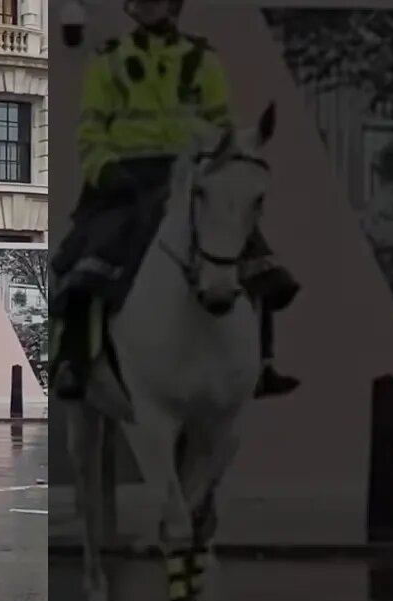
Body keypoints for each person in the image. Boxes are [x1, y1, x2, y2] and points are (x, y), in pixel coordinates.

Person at [49, 0, 300, 401]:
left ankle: (263, 363)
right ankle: (73, 361)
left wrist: (219, 164)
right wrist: (105, 168)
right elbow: (91, 127)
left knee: (250, 250)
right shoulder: (109, 60)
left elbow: (220, 122)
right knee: (88, 256)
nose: (151, 7)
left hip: (189, 172)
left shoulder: (202, 60)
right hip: (125, 177)